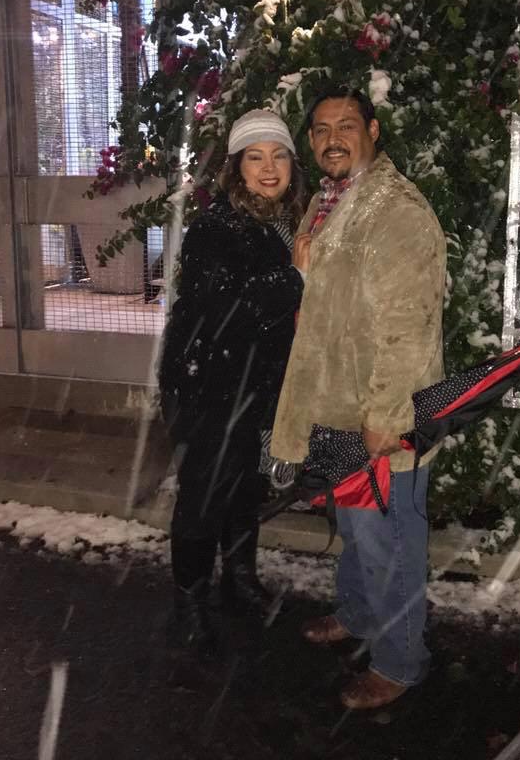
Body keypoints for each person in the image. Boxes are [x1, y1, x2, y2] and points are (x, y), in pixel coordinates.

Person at [270, 88, 447, 710]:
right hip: (338, 403)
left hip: (379, 411)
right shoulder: (329, 200)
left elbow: (409, 322)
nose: (333, 138)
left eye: (346, 125)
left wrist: (387, 416)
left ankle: (399, 663)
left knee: (389, 539)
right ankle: (358, 613)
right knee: (355, 524)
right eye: (321, 129)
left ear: (373, 130)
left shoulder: (394, 209)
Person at [159, 108, 310, 653]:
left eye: (278, 156)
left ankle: (238, 579)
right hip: (208, 385)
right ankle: (190, 603)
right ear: (236, 168)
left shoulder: (289, 221)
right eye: (255, 157)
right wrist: (296, 277)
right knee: (204, 496)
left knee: (246, 489)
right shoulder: (215, 228)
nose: (268, 168)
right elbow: (228, 309)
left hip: (258, 385)